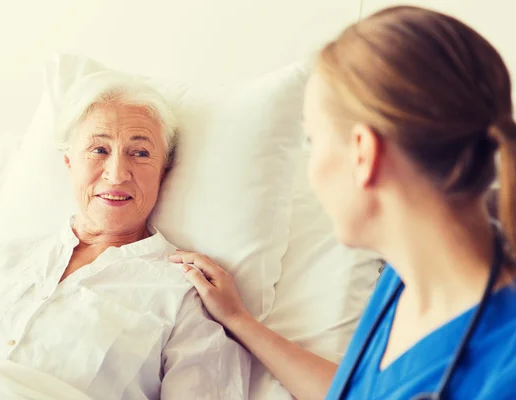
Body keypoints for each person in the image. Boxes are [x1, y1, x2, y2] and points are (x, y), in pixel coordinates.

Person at [170, 6, 516, 399]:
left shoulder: (504, 370)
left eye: (313, 142)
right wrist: (239, 320)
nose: (311, 169)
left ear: (363, 154)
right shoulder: (404, 282)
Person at [0, 79, 250, 399]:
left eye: (140, 153)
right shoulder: (2, 259)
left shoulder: (185, 292)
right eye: (99, 149)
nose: (117, 173)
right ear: (69, 162)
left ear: (164, 171)